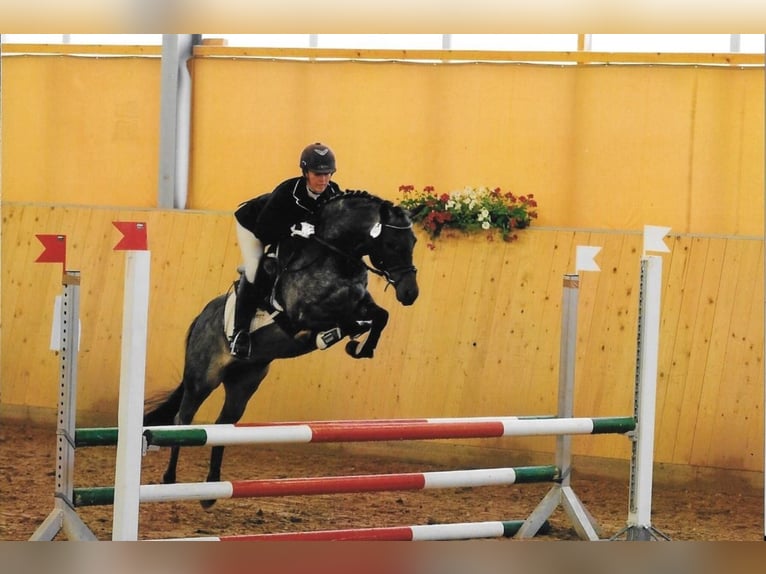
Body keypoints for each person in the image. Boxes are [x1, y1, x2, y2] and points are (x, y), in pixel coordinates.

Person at [229, 142, 343, 358]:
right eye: (318, 174)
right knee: (255, 269)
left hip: (292, 234)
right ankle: (239, 333)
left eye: (328, 174)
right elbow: (265, 230)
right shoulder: (287, 192)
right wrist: (294, 227)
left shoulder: (334, 193)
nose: (324, 179)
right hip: (253, 227)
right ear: (305, 173)